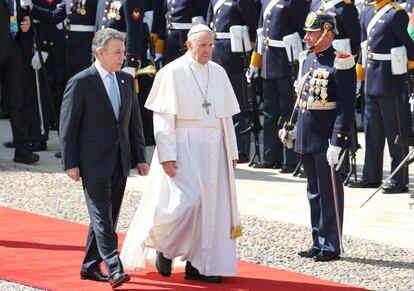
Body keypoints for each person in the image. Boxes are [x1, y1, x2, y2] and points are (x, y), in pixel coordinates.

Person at [120, 24, 242, 283]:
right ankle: (166, 248)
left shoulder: (218, 73)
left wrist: (232, 150)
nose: (208, 51)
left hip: (214, 148)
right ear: (189, 45)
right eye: (202, 46)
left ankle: (200, 265)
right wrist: (167, 155)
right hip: (183, 146)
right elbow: (163, 118)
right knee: (186, 204)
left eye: (211, 45)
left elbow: (226, 118)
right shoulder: (171, 72)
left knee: (212, 208)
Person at [59, 28, 149, 288]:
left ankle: (89, 265)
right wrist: (70, 163)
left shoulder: (124, 80)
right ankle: (113, 265)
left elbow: (135, 124)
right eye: (117, 52)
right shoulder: (81, 82)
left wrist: (140, 157)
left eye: (123, 51)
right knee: (101, 215)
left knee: (108, 215)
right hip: (92, 161)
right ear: (100, 53)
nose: (123, 57)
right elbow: (68, 126)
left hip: (120, 159)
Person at [281, 12, 356, 261]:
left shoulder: (342, 62)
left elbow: (345, 108)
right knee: (313, 192)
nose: (306, 36)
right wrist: (293, 128)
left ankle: (331, 244)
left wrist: (338, 142)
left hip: (326, 139)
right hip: (308, 135)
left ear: (327, 33)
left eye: (311, 32)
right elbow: (303, 100)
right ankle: (318, 240)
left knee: (329, 192)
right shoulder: (307, 60)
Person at [349, 0, 414, 193]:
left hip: (390, 80)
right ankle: (371, 176)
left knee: (396, 132)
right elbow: (363, 48)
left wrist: (404, 69)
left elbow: (411, 48)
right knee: (372, 132)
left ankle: (399, 179)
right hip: (371, 80)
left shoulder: (396, 14)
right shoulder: (369, 11)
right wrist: (359, 79)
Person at [248, 0, 310, 172]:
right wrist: (255, 63)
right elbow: (261, 34)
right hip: (268, 62)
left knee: (288, 113)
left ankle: (290, 160)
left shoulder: (293, 2)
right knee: (269, 113)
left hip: (287, 63)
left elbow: (304, 32)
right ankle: (270, 157)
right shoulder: (267, 1)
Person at [206, 0, 260, 163]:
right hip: (215, 55)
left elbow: (253, 25)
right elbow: (209, 24)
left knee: (238, 104)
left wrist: (250, 55)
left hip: (234, 57)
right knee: (217, 105)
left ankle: (241, 149)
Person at [1, 0, 39, 164]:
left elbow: (19, 15)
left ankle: (22, 150)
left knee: (18, 101)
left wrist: (27, 22)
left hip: (15, 49)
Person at [154, 0, 209, 64]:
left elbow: (207, 16)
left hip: (186, 41)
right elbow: (164, 21)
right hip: (170, 43)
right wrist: (159, 49)